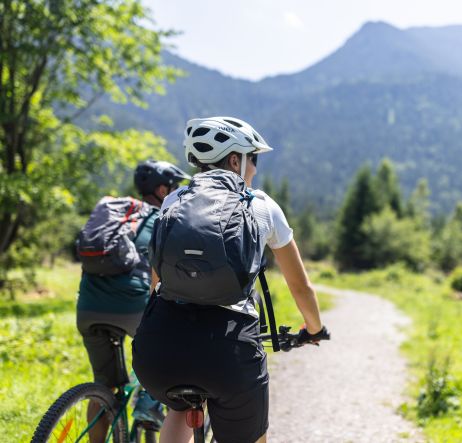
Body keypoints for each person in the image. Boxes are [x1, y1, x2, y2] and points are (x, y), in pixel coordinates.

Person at [132, 116, 328, 443]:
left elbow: (157, 281)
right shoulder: (262, 205)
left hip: (159, 349)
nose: (255, 169)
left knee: (178, 409)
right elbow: (300, 286)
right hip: (228, 353)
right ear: (236, 159)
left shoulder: (172, 201)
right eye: (254, 159)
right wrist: (314, 328)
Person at [76, 159, 190, 441]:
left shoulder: (117, 215)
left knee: (105, 386)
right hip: (134, 308)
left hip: (88, 308)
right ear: (163, 190)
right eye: (173, 188)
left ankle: (104, 402)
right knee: (169, 354)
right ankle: (149, 406)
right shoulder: (162, 219)